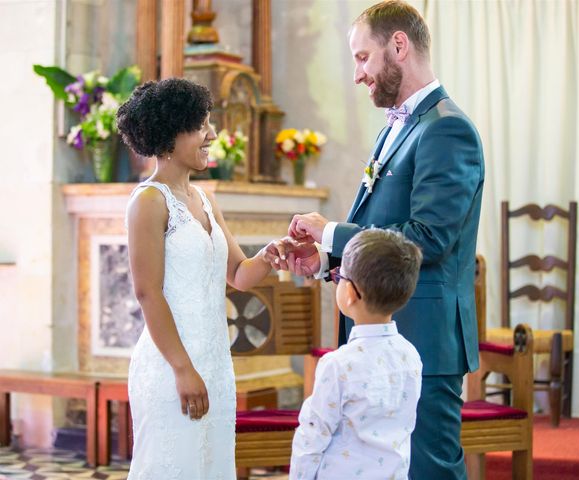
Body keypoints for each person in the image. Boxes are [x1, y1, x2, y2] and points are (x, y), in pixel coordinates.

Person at [285, 2, 485, 478]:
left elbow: (427, 238)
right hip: (386, 332)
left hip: (424, 338)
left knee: (428, 470)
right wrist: (329, 261)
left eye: (361, 57)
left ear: (399, 45)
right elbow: (387, 231)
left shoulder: (447, 129)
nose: (358, 74)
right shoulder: (395, 130)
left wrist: (332, 231)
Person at [118, 78, 288, 479]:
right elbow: (147, 293)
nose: (211, 135)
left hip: (215, 365)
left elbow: (239, 275)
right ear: (168, 134)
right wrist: (182, 368)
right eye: (200, 126)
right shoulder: (148, 201)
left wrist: (273, 253)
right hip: (170, 366)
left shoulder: (206, 199)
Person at [289, 229, 424, 479]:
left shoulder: (338, 365)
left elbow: (312, 436)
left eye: (339, 276)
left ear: (350, 293)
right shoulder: (410, 355)